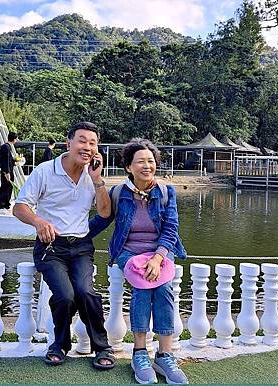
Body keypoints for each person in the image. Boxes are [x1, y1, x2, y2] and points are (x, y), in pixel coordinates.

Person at [13, 122, 116, 370]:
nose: (88, 147)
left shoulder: (93, 177)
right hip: (51, 247)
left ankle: (102, 347)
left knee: (86, 292)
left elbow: (104, 213)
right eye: (82, 141)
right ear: (68, 143)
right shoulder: (45, 171)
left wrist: (98, 179)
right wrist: (38, 221)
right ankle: (59, 344)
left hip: (81, 246)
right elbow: (19, 207)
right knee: (65, 296)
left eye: (93, 143)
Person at [88, 138, 188, 385]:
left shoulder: (166, 192)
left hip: (160, 251)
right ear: (129, 167)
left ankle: (165, 355)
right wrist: (73, 236)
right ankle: (140, 353)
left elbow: (171, 228)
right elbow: (101, 220)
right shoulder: (119, 193)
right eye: (140, 161)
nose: (147, 165)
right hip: (128, 252)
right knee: (143, 288)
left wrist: (157, 257)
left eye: (151, 161)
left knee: (163, 289)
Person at [0, 131, 18, 210]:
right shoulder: (6, 147)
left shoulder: (7, 147)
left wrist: (14, 162)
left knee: (7, 187)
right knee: (5, 187)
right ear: (14, 139)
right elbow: (5, 161)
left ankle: (5, 202)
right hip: (6, 171)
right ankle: (2, 203)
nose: (17, 140)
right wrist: (7, 172)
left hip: (8, 170)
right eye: (16, 139)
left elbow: (9, 160)